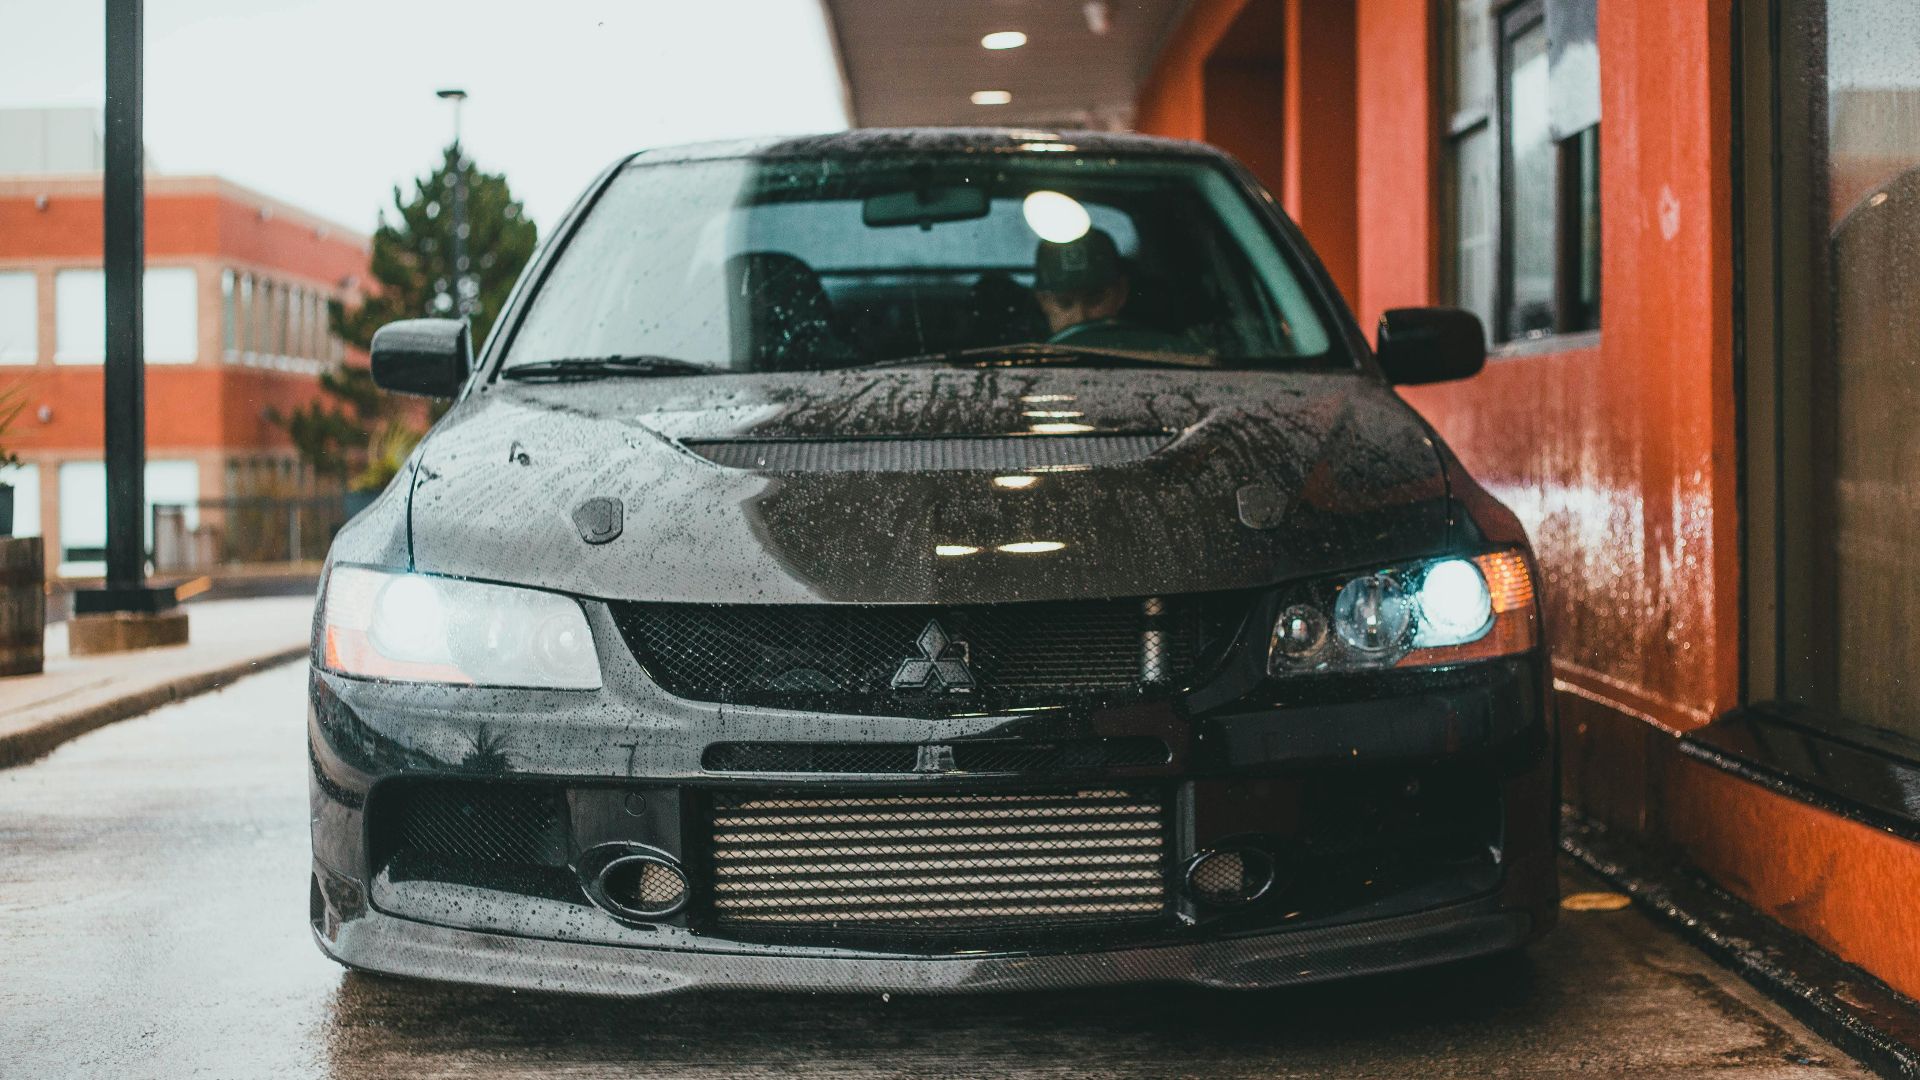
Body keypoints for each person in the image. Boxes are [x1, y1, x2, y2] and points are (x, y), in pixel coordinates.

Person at [1031, 228, 1192, 352]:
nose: (1081, 316)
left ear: (1121, 293)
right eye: (1064, 303)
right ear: (1043, 301)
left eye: (1095, 300)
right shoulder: (1025, 366)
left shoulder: (1164, 355)